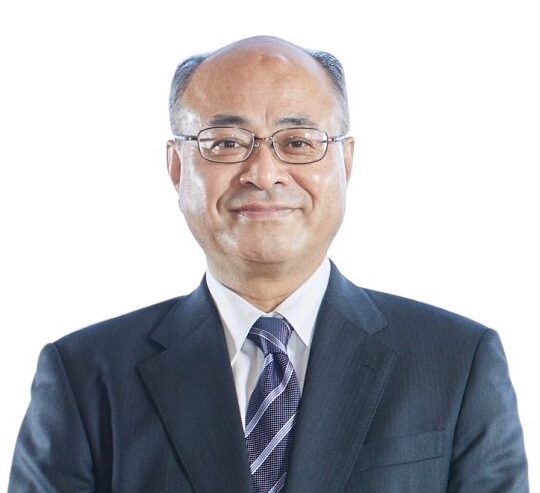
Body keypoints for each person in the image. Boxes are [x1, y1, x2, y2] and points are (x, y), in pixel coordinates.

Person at [8, 35, 528, 493]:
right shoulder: (84, 377)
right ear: (177, 167)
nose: (263, 172)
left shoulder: (458, 363)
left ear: (345, 162)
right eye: (226, 143)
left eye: (298, 142)